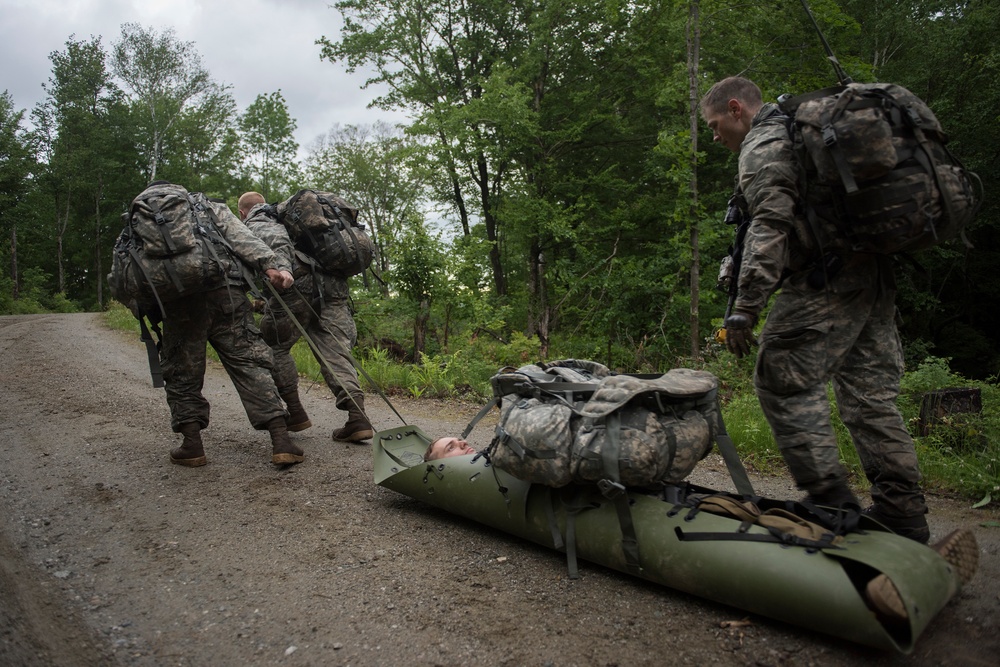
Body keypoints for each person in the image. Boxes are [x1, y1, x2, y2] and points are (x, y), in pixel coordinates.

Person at [699, 77, 930, 542]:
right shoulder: (798, 132)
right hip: (871, 275)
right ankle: (901, 512)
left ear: (736, 107)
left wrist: (746, 307)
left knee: (779, 376)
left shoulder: (763, 144)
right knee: (869, 397)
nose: (715, 135)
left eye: (714, 124)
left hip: (826, 279)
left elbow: (770, 223)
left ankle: (830, 502)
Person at [141, 182, 304, 468]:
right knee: (250, 361)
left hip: (178, 302)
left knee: (182, 370)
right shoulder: (206, 205)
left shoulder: (143, 217)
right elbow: (240, 236)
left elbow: (128, 270)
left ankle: (192, 446)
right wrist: (270, 265)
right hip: (225, 291)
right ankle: (281, 440)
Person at [237, 192, 374, 443]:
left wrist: (283, 271)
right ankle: (357, 416)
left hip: (295, 285)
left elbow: (275, 242)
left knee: (276, 347)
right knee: (335, 350)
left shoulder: (258, 218)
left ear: (242, 213)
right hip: (333, 285)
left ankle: (296, 412)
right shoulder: (293, 216)